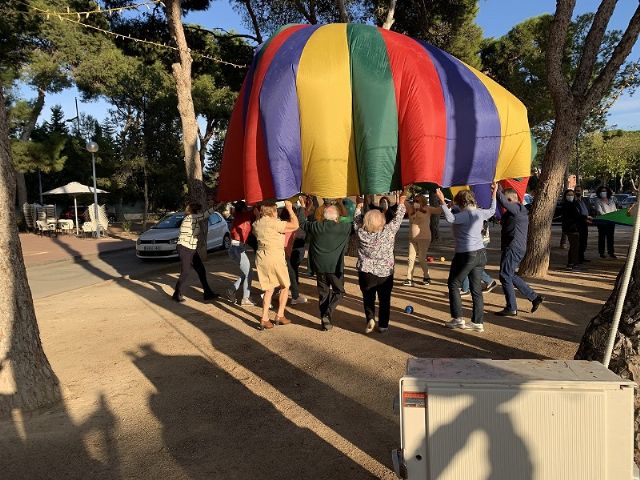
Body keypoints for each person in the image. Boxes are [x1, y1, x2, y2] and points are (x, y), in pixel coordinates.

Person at [436, 185, 497, 333]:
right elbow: (492, 210)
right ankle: (477, 322)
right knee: (476, 289)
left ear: (461, 202)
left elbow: (450, 218)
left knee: (453, 284)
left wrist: (442, 201)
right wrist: (494, 193)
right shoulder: (479, 213)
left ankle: (458, 319)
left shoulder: (464, 215)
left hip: (465, 254)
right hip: (480, 253)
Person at [354, 194, 407, 334]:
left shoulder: (360, 232)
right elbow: (398, 219)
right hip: (385, 273)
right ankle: (383, 325)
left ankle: (370, 318)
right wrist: (401, 203)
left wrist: (358, 206)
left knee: (368, 297)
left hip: (366, 272)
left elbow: (356, 220)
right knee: (384, 299)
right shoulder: (388, 233)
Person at [298, 196, 352, 331]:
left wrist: (301, 206)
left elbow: (302, 222)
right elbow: (356, 223)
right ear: (336, 217)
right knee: (339, 291)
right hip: (334, 267)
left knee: (323, 294)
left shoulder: (316, 226)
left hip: (319, 267)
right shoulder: (343, 228)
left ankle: (325, 322)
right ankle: (328, 312)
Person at [494, 187, 544, 316]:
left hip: (513, 247)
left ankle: (511, 308)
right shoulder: (513, 212)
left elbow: (504, 202)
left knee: (505, 275)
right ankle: (534, 297)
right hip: (513, 247)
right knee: (509, 274)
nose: (504, 205)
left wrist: (496, 190)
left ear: (510, 199)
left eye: (506, 201)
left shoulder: (518, 209)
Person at [251, 200, 299, 330]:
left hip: (262, 258)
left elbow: (257, 228)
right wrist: (290, 209)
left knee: (269, 288)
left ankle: (264, 318)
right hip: (275, 257)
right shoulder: (274, 223)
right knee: (285, 285)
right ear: (273, 211)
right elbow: (295, 225)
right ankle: (280, 315)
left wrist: (257, 215)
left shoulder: (256, 224)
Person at [172, 202, 220, 303]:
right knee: (185, 272)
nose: (200, 212)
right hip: (185, 248)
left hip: (191, 249)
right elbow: (205, 215)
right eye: (199, 210)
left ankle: (208, 293)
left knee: (201, 270)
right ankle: (176, 293)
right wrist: (217, 206)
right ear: (195, 210)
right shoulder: (191, 217)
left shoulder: (191, 218)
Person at [403, 195, 442, 286]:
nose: (415, 202)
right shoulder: (410, 208)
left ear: (423, 201)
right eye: (414, 200)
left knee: (421, 258)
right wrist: (404, 190)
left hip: (424, 237)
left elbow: (439, 210)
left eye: (418, 201)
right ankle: (409, 278)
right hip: (412, 238)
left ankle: (426, 276)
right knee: (411, 258)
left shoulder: (427, 209)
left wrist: (443, 202)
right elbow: (402, 200)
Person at [225, 201, 256, 306]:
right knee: (249, 273)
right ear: (243, 209)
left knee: (246, 272)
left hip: (234, 248)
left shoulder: (237, 215)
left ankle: (232, 289)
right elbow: (256, 209)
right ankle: (245, 298)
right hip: (238, 248)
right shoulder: (244, 215)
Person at [460, 220, 498, 296]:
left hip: (477, 241)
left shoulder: (474, 211)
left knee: (468, 264)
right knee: (473, 264)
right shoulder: (482, 210)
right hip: (482, 239)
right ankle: (489, 282)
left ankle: (466, 288)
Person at [280, 205, 308, 306]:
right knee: (291, 275)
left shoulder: (279, 224)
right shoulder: (292, 226)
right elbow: (298, 226)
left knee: (282, 275)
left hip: (279, 253)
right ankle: (295, 297)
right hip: (286, 254)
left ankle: (275, 292)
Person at [561, 189, 584, 270]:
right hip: (571, 229)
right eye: (568, 195)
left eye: (572, 194)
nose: (570, 196)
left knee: (573, 246)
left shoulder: (574, 204)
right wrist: (584, 218)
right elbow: (574, 216)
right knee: (575, 247)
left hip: (574, 228)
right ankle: (574, 264)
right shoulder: (567, 205)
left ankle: (571, 263)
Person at [594, 185, 618, 259]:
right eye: (602, 191)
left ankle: (611, 252)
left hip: (611, 222)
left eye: (605, 191)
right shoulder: (597, 201)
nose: (603, 192)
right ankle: (601, 252)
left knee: (610, 237)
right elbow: (599, 211)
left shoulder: (611, 200)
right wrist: (608, 217)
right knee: (602, 237)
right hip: (602, 223)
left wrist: (613, 217)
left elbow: (615, 210)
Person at [573, 186, 591, 263]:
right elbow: (575, 214)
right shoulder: (573, 202)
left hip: (585, 224)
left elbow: (589, 209)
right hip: (577, 224)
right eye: (576, 191)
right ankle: (577, 258)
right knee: (578, 242)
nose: (578, 192)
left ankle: (582, 257)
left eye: (579, 191)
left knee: (584, 241)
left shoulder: (585, 200)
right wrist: (585, 217)